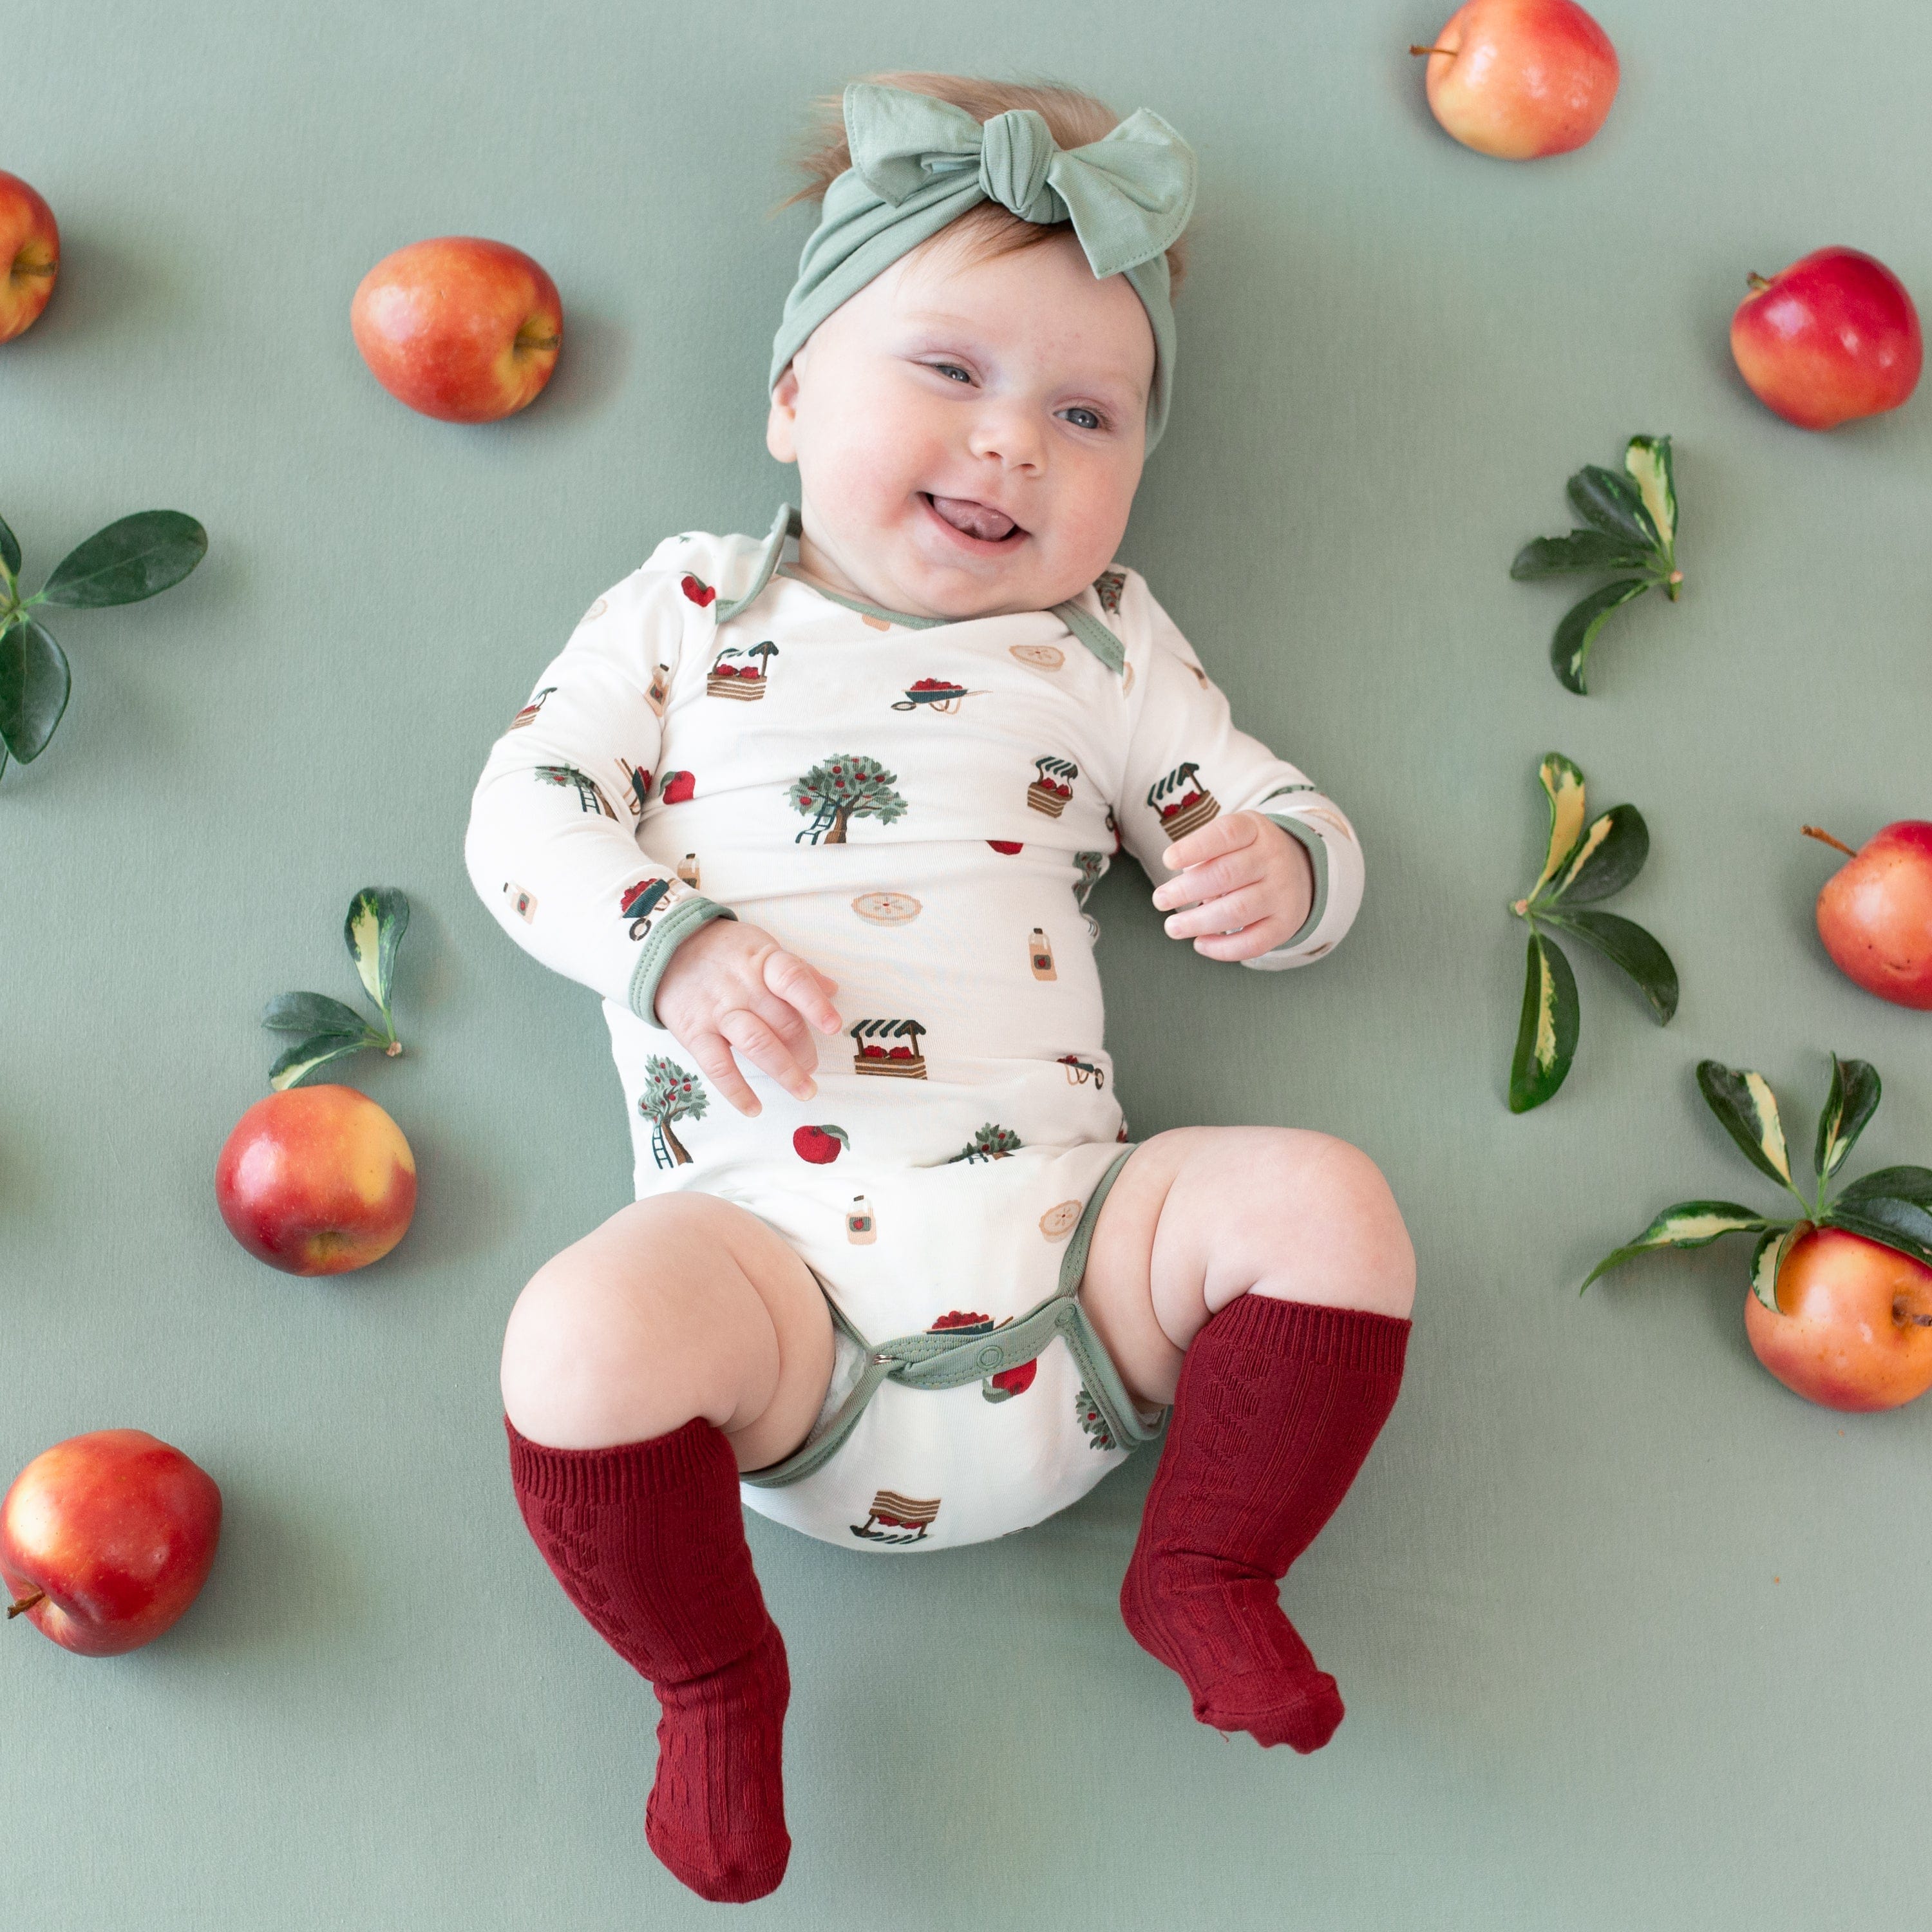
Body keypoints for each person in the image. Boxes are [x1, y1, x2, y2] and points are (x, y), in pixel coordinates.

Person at [464, 71, 1416, 1906]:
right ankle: (715, 1680)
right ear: (792, 396)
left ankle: (1211, 1566)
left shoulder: (1102, 644)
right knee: (574, 1343)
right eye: (952, 377)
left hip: (1082, 1279)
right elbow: (526, 810)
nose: (1012, 451)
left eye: (1087, 412)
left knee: (1327, 1203)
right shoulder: (687, 611)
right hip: (768, 1313)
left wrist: (1286, 870)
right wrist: (668, 944)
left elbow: (1253, 794)